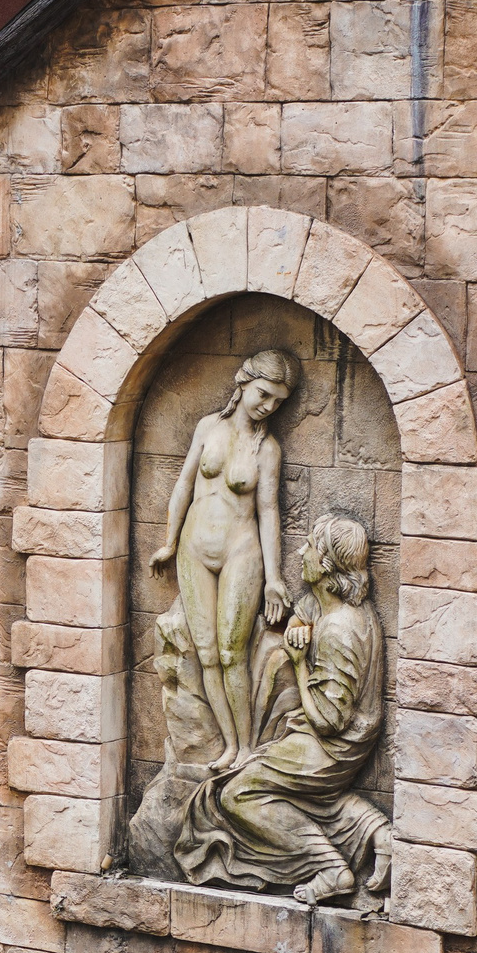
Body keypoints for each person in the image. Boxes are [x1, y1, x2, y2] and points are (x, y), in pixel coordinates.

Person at [173, 513, 392, 904]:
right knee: (278, 787)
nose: (300, 551)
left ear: (326, 565)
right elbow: (309, 608)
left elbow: (328, 721)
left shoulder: (341, 631)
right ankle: (374, 829)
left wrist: (298, 661)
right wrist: (299, 622)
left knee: (235, 794)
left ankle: (330, 868)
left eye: (309, 546)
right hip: (333, 735)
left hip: (333, 747)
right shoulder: (331, 606)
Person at [147, 348, 300, 771]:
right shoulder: (207, 428)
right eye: (263, 394)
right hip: (195, 549)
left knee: (233, 653)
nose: (267, 406)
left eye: (277, 401)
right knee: (208, 652)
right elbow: (184, 482)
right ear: (243, 381)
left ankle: (248, 747)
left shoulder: (267, 448)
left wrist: (274, 578)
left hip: (240, 551)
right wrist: (169, 541)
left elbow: (269, 511)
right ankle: (228, 746)